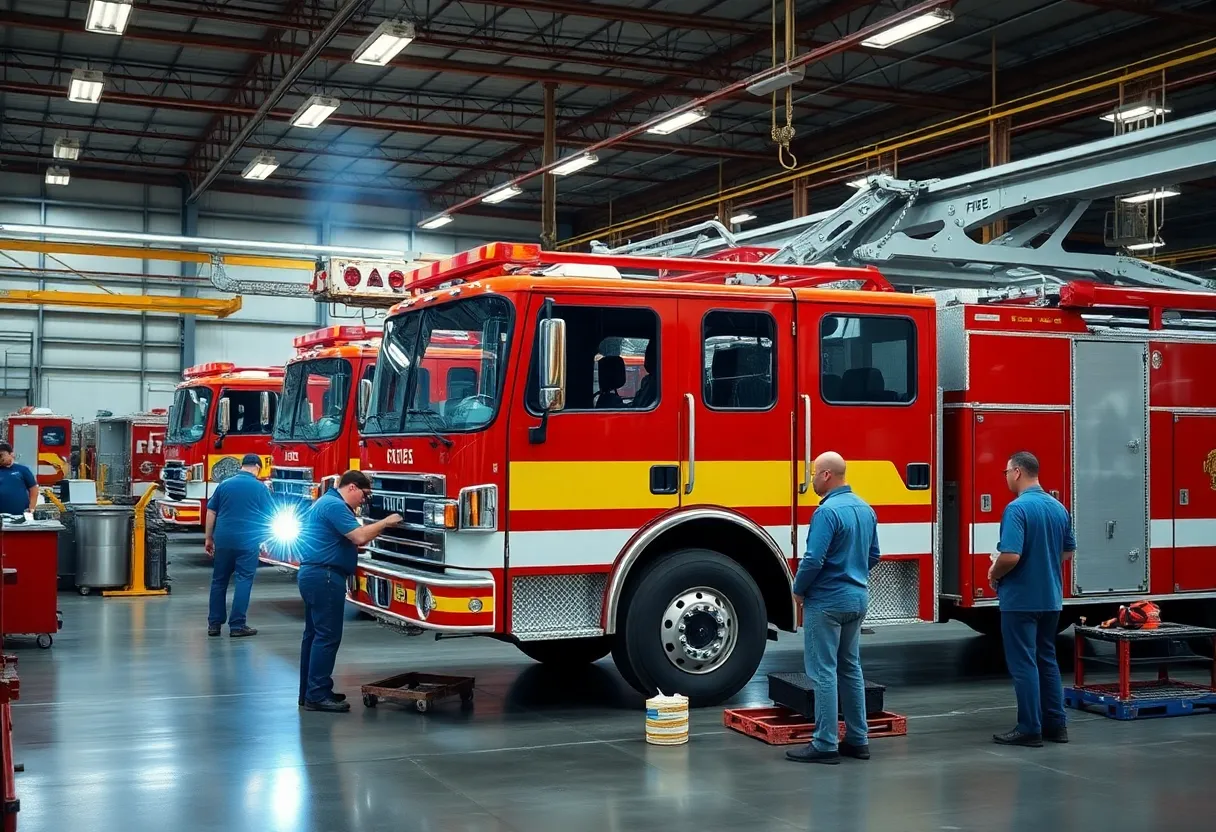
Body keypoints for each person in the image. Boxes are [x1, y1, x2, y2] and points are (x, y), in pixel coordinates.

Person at [787, 451, 881, 765]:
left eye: (814, 473)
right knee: (850, 668)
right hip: (857, 598)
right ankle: (858, 739)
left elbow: (814, 559)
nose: (811, 478)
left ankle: (825, 743)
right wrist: (854, 575)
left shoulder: (827, 513)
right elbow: (874, 556)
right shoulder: (866, 509)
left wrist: (798, 590)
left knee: (823, 671)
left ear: (827, 475)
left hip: (826, 601)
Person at [989, 451, 1076, 747]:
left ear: (1016, 472)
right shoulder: (1058, 507)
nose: (1005, 478)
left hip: (1020, 599)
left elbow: (1011, 555)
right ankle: (1056, 725)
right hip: (1051, 598)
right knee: (1047, 660)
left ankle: (1029, 728)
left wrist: (994, 571)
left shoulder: (1017, 509)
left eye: (1005, 472)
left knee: (1024, 663)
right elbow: (1067, 552)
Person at [298, 470, 402, 713]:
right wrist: (386, 522)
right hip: (325, 577)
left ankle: (311, 690)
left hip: (314, 574)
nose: (363, 502)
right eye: (364, 496)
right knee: (327, 637)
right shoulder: (335, 505)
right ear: (352, 487)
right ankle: (317, 695)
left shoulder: (324, 502)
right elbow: (359, 536)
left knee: (313, 636)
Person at [204, 453, 272, 638]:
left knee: (219, 581)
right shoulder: (260, 488)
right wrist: (265, 538)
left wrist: (209, 538)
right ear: (258, 467)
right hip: (247, 541)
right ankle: (237, 625)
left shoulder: (224, 485)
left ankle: (214, 624)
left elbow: (211, 511)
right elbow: (270, 516)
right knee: (244, 581)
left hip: (224, 540)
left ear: (242, 466)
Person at [0, 442, 38, 517]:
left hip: (20, 514)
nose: (0, 458)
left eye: (1, 455)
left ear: (11, 454)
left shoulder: (22, 470)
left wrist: (32, 507)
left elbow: (33, 489)